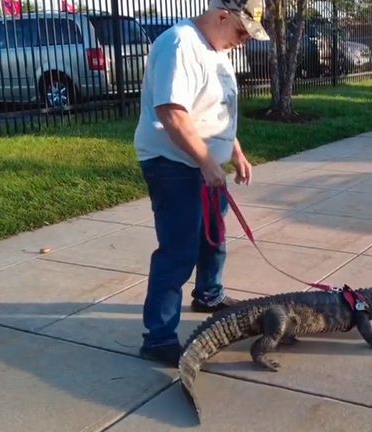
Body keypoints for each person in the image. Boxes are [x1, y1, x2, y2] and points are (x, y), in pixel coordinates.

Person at [132, 0, 270, 367]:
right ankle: (158, 338)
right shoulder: (180, 44)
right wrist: (207, 161)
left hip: (204, 165)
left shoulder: (217, 48)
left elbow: (215, 109)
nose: (243, 41)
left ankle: (209, 294)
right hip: (174, 163)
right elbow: (172, 113)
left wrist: (234, 150)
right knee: (178, 251)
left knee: (213, 238)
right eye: (241, 32)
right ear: (222, 15)